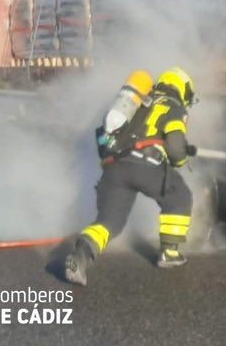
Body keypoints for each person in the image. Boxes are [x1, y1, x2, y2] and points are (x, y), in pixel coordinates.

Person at [64, 67, 198, 286]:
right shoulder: (173, 107)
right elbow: (175, 149)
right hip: (146, 164)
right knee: (179, 197)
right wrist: (182, 159)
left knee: (109, 223)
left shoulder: (140, 102)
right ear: (182, 89)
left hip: (114, 167)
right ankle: (169, 254)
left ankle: (80, 257)